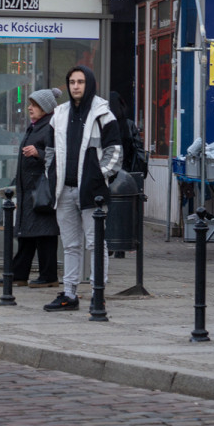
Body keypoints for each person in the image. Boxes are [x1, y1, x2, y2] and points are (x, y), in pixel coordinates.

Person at [44, 66, 122, 312]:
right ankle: (69, 294)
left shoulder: (103, 114)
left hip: (92, 191)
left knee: (95, 243)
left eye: (80, 81)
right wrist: (52, 175)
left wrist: (101, 177)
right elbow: (49, 151)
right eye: (72, 81)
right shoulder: (59, 114)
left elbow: (115, 151)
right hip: (64, 189)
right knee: (70, 245)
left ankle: (98, 293)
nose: (76, 86)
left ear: (89, 83)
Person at [11, 89, 61, 288]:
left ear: (46, 108)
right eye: (30, 104)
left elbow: (57, 154)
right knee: (29, 233)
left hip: (42, 189)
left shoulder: (50, 126)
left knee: (44, 234)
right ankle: (19, 274)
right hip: (30, 189)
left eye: (35, 105)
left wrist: (38, 153)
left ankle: (47, 276)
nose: (30, 108)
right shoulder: (35, 126)